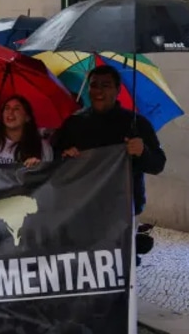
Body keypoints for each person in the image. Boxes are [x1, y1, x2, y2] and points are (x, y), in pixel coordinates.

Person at [51, 66, 166, 256]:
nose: (99, 91)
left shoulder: (137, 124)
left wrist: (142, 151)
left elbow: (158, 164)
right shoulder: (73, 124)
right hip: (80, 211)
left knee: (120, 271)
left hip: (122, 213)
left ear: (118, 89)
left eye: (106, 85)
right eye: (94, 85)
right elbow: (54, 161)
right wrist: (64, 156)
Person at [0, 95, 53, 166]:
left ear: (27, 117)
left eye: (16, 108)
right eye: (7, 108)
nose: (10, 112)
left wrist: (36, 169)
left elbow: (49, 176)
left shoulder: (42, 146)